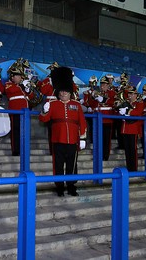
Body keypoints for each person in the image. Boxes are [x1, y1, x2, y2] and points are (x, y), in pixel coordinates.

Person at [39, 66, 87, 197]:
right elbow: (44, 119)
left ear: (70, 92)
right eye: (61, 91)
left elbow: (82, 122)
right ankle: (59, 186)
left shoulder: (76, 105)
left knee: (72, 165)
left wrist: (82, 138)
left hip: (72, 139)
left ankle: (71, 186)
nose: (63, 93)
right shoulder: (53, 104)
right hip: (57, 139)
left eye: (66, 91)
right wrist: (44, 110)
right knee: (58, 165)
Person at [5, 66, 34, 156]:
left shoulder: (21, 87)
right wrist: (22, 86)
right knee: (16, 130)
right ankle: (16, 150)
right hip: (15, 110)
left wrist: (28, 89)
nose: (20, 77)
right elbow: (11, 90)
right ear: (12, 77)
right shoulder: (8, 84)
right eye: (18, 76)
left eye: (20, 76)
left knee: (24, 131)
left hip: (25, 110)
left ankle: (23, 149)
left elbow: (31, 96)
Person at [118, 86, 144, 172]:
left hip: (133, 129)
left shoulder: (139, 103)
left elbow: (138, 112)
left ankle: (133, 168)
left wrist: (128, 111)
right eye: (129, 94)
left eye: (133, 94)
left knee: (133, 150)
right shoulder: (126, 103)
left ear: (136, 95)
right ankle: (129, 167)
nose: (131, 95)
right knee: (127, 150)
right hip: (125, 128)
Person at [92, 76, 116, 161]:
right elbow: (94, 104)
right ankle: (98, 155)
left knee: (106, 139)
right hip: (98, 118)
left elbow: (114, 102)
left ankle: (105, 156)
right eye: (101, 84)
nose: (102, 86)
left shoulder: (112, 93)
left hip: (107, 118)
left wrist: (104, 100)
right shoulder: (98, 93)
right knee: (98, 138)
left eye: (104, 85)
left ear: (108, 85)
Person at [80, 76, 98, 145]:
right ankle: (89, 139)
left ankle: (94, 140)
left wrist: (92, 108)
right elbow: (86, 101)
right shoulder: (86, 92)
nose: (92, 84)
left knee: (94, 126)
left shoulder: (97, 92)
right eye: (91, 82)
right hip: (88, 111)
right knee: (88, 126)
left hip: (94, 111)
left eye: (93, 82)